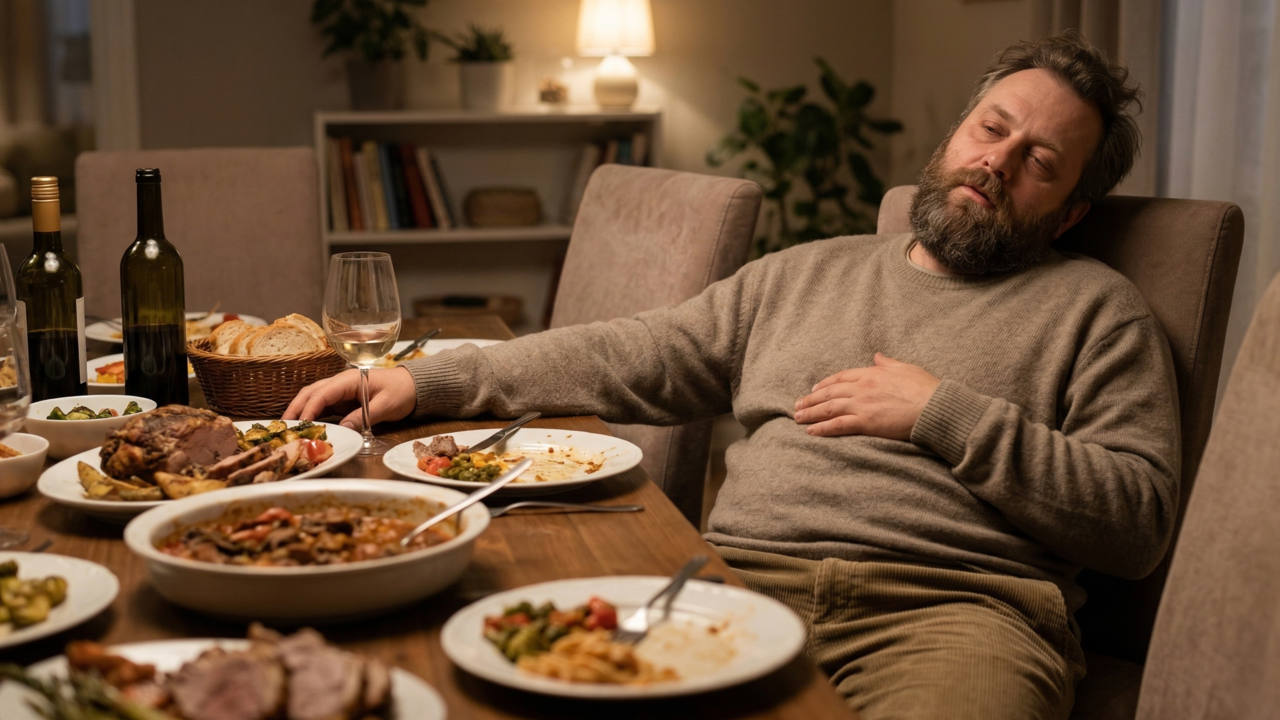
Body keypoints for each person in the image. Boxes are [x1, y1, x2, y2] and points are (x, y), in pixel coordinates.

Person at [287, 31, 1175, 720]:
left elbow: (1137, 523)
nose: (998, 161)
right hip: (733, 583)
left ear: (1070, 214)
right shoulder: (807, 271)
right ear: (955, 136)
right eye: (991, 128)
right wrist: (436, 381)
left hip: (955, 618)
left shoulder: (1098, 312)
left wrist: (944, 414)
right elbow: (634, 352)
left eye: (1040, 162)